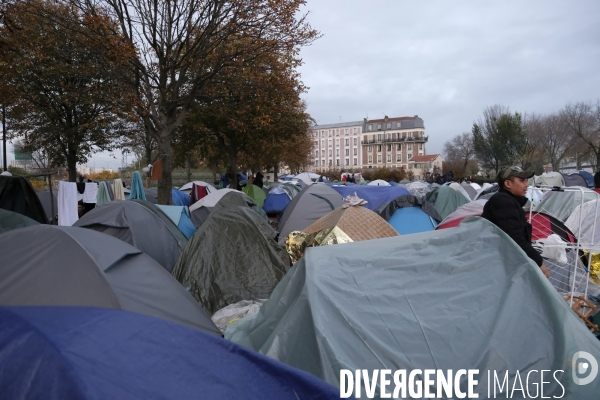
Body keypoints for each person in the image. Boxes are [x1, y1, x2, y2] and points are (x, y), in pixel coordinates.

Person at [481, 166, 551, 278]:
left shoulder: (510, 201)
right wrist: (538, 262)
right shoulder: (502, 202)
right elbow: (515, 239)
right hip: (500, 266)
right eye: (522, 181)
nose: (527, 185)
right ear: (508, 184)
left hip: (504, 264)